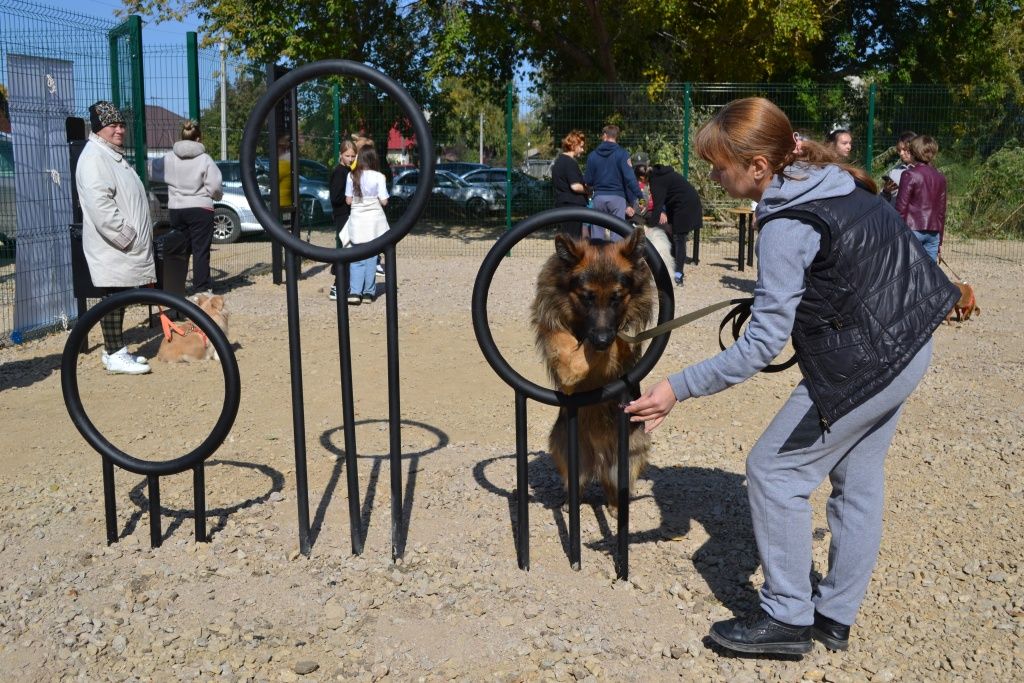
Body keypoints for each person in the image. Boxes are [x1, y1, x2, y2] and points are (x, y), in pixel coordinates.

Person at [624, 97, 959, 656]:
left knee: (773, 472)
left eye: (718, 165)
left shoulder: (785, 221)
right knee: (857, 478)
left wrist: (675, 388)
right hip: (910, 344)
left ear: (758, 166)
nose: (710, 175)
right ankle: (834, 616)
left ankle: (785, 619)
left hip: (866, 364)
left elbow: (759, 346)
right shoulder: (829, 177)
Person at [76, 101, 156, 375]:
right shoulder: (95, 158)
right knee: (113, 295)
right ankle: (114, 352)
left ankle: (116, 351)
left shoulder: (110, 155)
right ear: (100, 129)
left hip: (121, 246)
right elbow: (101, 207)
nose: (119, 130)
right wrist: (127, 237)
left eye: (121, 125)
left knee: (118, 295)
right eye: (113, 125)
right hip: (114, 246)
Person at [149, 119, 223, 296]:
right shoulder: (205, 159)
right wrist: (213, 196)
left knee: (180, 249)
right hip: (200, 209)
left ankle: (176, 288)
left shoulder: (169, 157)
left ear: (181, 137)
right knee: (200, 250)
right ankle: (202, 288)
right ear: (198, 139)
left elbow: (150, 170)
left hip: (177, 209)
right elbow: (215, 187)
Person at [344, 143, 389, 305]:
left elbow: (348, 201)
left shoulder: (351, 176)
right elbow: (384, 201)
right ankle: (369, 293)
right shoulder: (379, 177)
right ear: (373, 159)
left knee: (356, 257)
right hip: (374, 222)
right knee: (371, 257)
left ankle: (355, 292)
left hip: (357, 220)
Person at [647, 159, 703, 286]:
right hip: (678, 204)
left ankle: (678, 275)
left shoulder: (656, 180)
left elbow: (657, 206)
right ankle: (670, 268)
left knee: (679, 238)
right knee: (673, 235)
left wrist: (649, 227)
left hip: (685, 206)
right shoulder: (660, 175)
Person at [583, 124, 641, 240]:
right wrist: (639, 196)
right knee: (617, 233)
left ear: (604, 135)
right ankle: (615, 257)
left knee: (597, 234)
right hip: (617, 199)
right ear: (616, 136)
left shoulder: (592, 155)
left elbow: (588, 181)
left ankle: (597, 257)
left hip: (598, 198)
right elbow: (630, 178)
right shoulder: (622, 154)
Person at [895, 135, 947, 262]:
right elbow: (941, 211)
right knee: (930, 275)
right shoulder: (940, 178)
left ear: (913, 152)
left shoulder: (909, 174)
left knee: (909, 272)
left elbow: (901, 208)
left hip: (912, 230)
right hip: (933, 232)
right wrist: (939, 240)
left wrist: (896, 233)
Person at [327, 140, 358, 300]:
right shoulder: (340, 172)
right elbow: (335, 197)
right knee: (346, 250)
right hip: (342, 215)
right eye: (347, 156)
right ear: (341, 155)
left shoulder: (347, 170)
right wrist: (349, 197)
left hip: (346, 215)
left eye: (353, 156)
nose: (351, 159)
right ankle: (337, 286)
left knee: (347, 249)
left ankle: (342, 284)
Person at [550, 130, 588, 238]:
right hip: (573, 206)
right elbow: (575, 186)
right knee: (574, 239)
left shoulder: (559, 161)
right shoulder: (570, 162)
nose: (582, 150)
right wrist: (588, 190)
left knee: (566, 240)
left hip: (562, 204)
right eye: (581, 146)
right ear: (573, 145)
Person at [880, 131, 916, 205]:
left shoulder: (925, 171)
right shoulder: (894, 171)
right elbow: (883, 201)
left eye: (905, 149)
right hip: (895, 214)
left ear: (914, 148)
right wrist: (886, 191)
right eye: (899, 150)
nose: (901, 153)